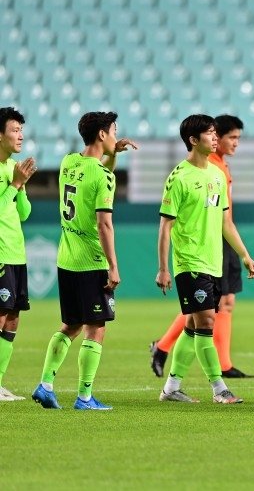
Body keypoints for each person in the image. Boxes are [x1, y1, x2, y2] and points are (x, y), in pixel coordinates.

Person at [155, 114, 254, 404]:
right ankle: (219, 388)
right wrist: (164, 268)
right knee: (206, 322)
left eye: (216, 133)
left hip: (213, 262)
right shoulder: (179, 177)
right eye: (210, 134)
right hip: (190, 261)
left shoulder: (216, 174)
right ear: (193, 140)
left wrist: (245, 255)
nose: (215, 138)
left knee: (192, 325)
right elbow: (165, 226)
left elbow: (226, 222)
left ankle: (172, 388)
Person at [32, 112, 131, 410]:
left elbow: (99, 174)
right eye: (113, 131)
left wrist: (112, 157)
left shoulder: (68, 162)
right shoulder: (101, 176)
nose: (116, 135)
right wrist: (113, 265)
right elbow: (104, 224)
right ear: (102, 135)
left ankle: (46, 384)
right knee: (96, 327)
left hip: (67, 259)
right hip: (91, 260)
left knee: (71, 324)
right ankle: (84, 397)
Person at [0, 107, 36, 402]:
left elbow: (24, 213)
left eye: (21, 130)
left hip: (16, 254)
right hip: (0, 255)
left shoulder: (12, 167)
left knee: (12, 318)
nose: (20, 135)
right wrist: (13, 184)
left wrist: (20, 186)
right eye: (14, 130)